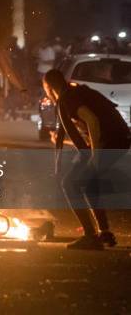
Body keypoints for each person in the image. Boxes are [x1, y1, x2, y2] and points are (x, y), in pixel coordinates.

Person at [44, 69, 131, 250]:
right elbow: (89, 130)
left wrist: (96, 155)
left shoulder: (68, 98)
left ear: (49, 87)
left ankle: (90, 235)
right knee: (89, 182)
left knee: (70, 183)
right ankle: (104, 232)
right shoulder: (76, 92)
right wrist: (65, 140)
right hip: (119, 139)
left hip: (112, 142)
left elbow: (92, 120)